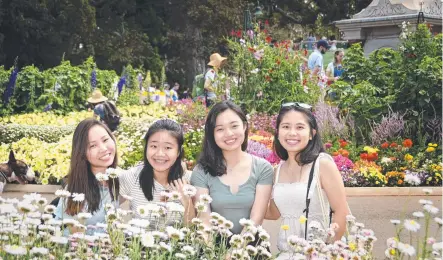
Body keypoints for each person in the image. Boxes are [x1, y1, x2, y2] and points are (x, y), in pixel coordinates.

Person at [265, 102, 349, 259]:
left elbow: (341, 211)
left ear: (312, 133)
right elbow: (274, 213)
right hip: (287, 253)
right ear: (277, 132)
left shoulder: (322, 164)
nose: (291, 133)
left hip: (319, 253)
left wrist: (330, 251)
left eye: (299, 127)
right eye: (285, 127)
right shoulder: (277, 171)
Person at [191, 101, 273, 236]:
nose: (228, 133)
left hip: (250, 245)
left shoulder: (263, 168)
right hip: (214, 246)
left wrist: (236, 252)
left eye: (234, 126)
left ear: (245, 126)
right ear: (212, 134)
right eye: (220, 129)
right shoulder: (201, 171)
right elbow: (204, 220)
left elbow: (256, 219)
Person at [119, 119, 195, 228]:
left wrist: (187, 202)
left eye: (168, 148)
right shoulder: (130, 177)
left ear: (178, 151)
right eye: (154, 146)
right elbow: (122, 222)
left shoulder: (190, 181)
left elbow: (192, 230)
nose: (159, 154)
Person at [55, 119, 120, 235]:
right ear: (82, 153)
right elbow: (63, 234)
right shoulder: (75, 191)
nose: (103, 149)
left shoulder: (120, 180)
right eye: (93, 146)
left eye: (105, 140)